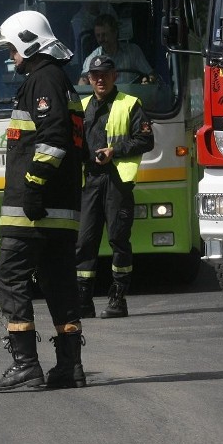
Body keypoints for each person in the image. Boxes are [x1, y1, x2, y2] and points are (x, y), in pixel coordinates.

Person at [0, 11, 87, 392]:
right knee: (59, 283)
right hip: (61, 211)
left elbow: (54, 138)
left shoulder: (42, 80)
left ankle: (25, 364)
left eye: (12, 49)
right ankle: (70, 365)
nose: (11, 57)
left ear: (29, 43)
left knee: (8, 277)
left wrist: (31, 187)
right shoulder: (61, 82)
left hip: (34, 212)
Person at [75, 55, 154, 319]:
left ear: (114, 76)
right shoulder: (83, 106)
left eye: (104, 74)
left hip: (117, 182)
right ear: (88, 78)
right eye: (95, 74)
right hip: (90, 182)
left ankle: (118, 300)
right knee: (84, 242)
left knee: (118, 240)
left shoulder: (130, 104)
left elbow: (146, 139)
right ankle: (84, 301)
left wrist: (114, 151)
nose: (99, 79)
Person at [78, 13, 156, 85]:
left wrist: (148, 82)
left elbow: (150, 75)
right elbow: (83, 80)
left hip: (131, 97)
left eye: (104, 35)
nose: (101, 39)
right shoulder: (93, 58)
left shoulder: (133, 51)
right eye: (98, 36)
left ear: (115, 33)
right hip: (106, 99)